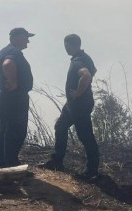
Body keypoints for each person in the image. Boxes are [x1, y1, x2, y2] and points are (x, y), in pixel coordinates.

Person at [41, 34, 100, 180]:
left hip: (79, 104)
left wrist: (78, 92)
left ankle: (92, 170)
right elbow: (94, 70)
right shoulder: (85, 58)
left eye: (66, 45)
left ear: (72, 45)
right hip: (73, 104)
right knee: (60, 126)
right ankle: (57, 161)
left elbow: (86, 75)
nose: (65, 48)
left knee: (85, 135)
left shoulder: (78, 61)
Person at [0, 27, 34, 168]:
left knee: (5, 128)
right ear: (17, 37)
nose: (28, 41)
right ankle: (11, 163)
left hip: (3, 95)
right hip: (14, 97)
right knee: (17, 130)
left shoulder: (5, 50)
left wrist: (2, 77)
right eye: (26, 37)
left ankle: (2, 162)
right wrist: (13, 81)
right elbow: (7, 64)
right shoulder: (13, 52)